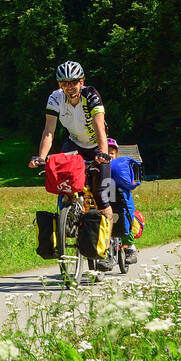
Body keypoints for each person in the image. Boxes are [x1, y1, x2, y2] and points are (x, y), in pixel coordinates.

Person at [28, 60, 116, 271]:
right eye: (65, 83)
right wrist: (41, 156)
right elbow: (49, 130)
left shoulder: (91, 95)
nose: (70, 86)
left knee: (101, 195)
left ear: (81, 81)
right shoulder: (55, 98)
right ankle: (66, 221)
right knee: (65, 185)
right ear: (60, 85)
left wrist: (103, 153)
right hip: (74, 143)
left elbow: (99, 127)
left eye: (74, 82)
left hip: (96, 145)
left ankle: (107, 247)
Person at [107, 137, 139, 265]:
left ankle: (130, 248)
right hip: (104, 195)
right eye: (106, 152)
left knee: (126, 216)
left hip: (119, 196)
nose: (109, 155)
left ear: (117, 154)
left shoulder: (121, 166)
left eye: (112, 153)